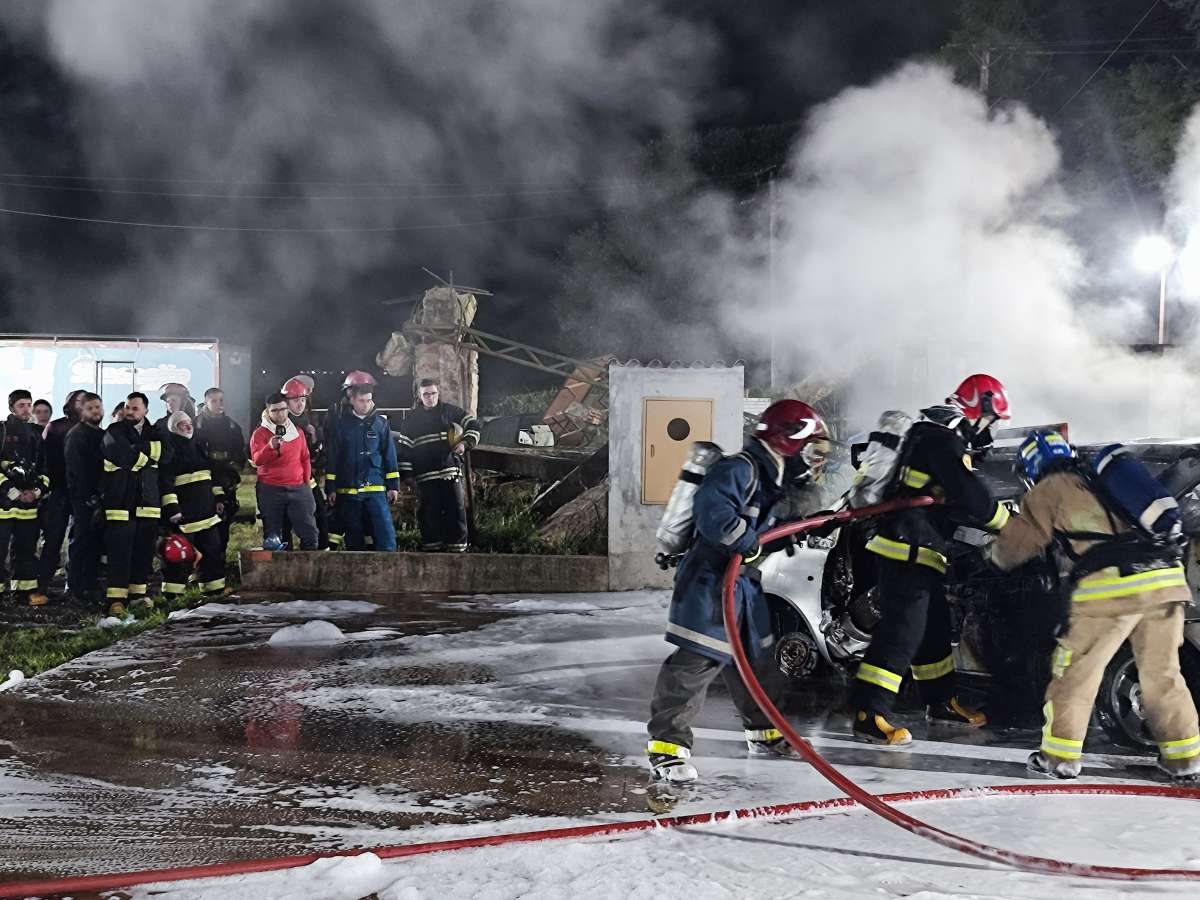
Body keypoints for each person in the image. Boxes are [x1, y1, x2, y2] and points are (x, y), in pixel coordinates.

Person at [986, 431, 1200, 781]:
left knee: (1076, 671)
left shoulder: (1051, 488)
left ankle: (1058, 759)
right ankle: (1185, 760)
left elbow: (1017, 544)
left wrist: (992, 560)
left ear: (1032, 466)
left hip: (1112, 588)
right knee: (1163, 675)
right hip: (1166, 582)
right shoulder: (1104, 481)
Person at [646, 400, 832, 783]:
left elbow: (773, 530)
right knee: (694, 665)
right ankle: (667, 750)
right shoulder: (740, 468)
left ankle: (764, 737)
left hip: (744, 587)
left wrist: (807, 524)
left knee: (756, 665)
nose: (814, 457)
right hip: (711, 583)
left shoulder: (774, 478)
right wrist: (748, 542)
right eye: (809, 445)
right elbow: (712, 513)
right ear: (787, 440)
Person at [849, 373, 1013, 745]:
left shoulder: (936, 439)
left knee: (933, 627)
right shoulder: (940, 439)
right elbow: (971, 496)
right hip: (905, 550)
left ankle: (940, 702)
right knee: (901, 633)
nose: (990, 430)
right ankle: (868, 712)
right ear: (979, 408)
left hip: (922, 548)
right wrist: (1010, 523)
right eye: (991, 420)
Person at [101, 392, 171, 615]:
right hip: (120, 502)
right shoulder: (114, 431)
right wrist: (149, 457)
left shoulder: (158, 433)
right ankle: (115, 600)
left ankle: (138, 596)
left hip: (148, 502)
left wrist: (137, 451)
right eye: (128, 408)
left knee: (143, 553)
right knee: (119, 552)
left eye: (135, 408)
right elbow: (121, 455)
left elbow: (168, 455)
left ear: (146, 411)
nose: (130, 412)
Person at [397, 378, 481, 552]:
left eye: (433, 393)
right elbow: (404, 450)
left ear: (438, 393)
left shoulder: (450, 412)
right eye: (426, 394)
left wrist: (465, 443)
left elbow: (473, 424)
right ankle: (431, 548)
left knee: (456, 509)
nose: (430, 397)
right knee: (428, 513)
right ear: (419, 396)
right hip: (425, 475)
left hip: (449, 471)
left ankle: (458, 548)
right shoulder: (411, 420)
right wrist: (408, 476)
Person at [160, 411, 228, 599]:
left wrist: (220, 498)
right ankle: (172, 595)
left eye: (189, 422)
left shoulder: (199, 448)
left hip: (207, 512)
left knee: (212, 551)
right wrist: (172, 509)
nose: (188, 426)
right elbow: (165, 482)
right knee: (178, 554)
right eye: (183, 424)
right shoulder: (170, 452)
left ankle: (213, 589)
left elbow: (211, 477)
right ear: (174, 428)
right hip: (185, 515)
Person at [326, 383, 399, 551]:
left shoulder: (381, 424)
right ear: (352, 400)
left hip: (375, 488)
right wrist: (331, 487)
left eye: (369, 400)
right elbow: (333, 457)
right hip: (348, 489)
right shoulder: (341, 425)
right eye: (361, 400)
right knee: (354, 534)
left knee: (384, 532)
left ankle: (389, 568)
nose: (366, 404)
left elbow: (389, 455)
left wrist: (393, 486)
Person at [250, 393, 318, 550]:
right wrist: (270, 447)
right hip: (270, 489)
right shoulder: (260, 433)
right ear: (268, 411)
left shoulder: (298, 432)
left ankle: (306, 570)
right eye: (275, 410)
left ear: (288, 409)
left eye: (283, 409)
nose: (280, 414)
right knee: (274, 536)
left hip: (298, 488)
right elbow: (257, 460)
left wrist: (305, 483)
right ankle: (278, 572)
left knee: (309, 532)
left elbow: (305, 457)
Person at [0, 390, 49, 606]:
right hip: (4, 504)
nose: (27, 409)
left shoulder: (37, 434)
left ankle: (24, 591)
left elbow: (44, 468)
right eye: (22, 405)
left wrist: (36, 491)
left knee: (27, 549)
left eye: (29, 404)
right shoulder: (1, 430)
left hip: (29, 504)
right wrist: (12, 492)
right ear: (12, 408)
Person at [38, 389, 86, 595]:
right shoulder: (55, 426)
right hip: (59, 491)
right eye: (79, 400)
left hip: (80, 493)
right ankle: (41, 584)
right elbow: (44, 458)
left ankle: (74, 584)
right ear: (70, 403)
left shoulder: (89, 428)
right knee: (54, 538)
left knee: (79, 539)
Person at [193, 387, 247, 559]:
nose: (218, 404)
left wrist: (234, 468)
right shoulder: (196, 424)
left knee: (225, 516)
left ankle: (220, 558)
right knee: (203, 520)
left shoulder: (232, 426)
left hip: (226, 476)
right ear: (206, 402)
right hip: (203, 477)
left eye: (221, 400)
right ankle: (200, 561)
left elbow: (240, 453)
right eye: (214, 401)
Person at [64, 393, 106, 606]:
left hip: (100, 499)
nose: (95, 411)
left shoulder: (102, 434)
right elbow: (75, 471)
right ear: (82, 411)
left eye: (98, 407)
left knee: (95, 544)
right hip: (82, 500)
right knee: (80, 543)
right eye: (90, 408)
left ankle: (90, 586)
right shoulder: (77, 435)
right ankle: (75, 588)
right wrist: (88, 498)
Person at [281, 375, 330, 549]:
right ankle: (285, 563)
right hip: (284, 483)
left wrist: (315, 439)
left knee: (320, 514)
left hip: (306, 479)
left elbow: (316, 457)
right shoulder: (277, 422)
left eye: (302, 399)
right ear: (286, 401)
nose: (300, 404)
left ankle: (321, 555)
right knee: (284, 523)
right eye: (295, 400)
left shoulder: (309, 422)